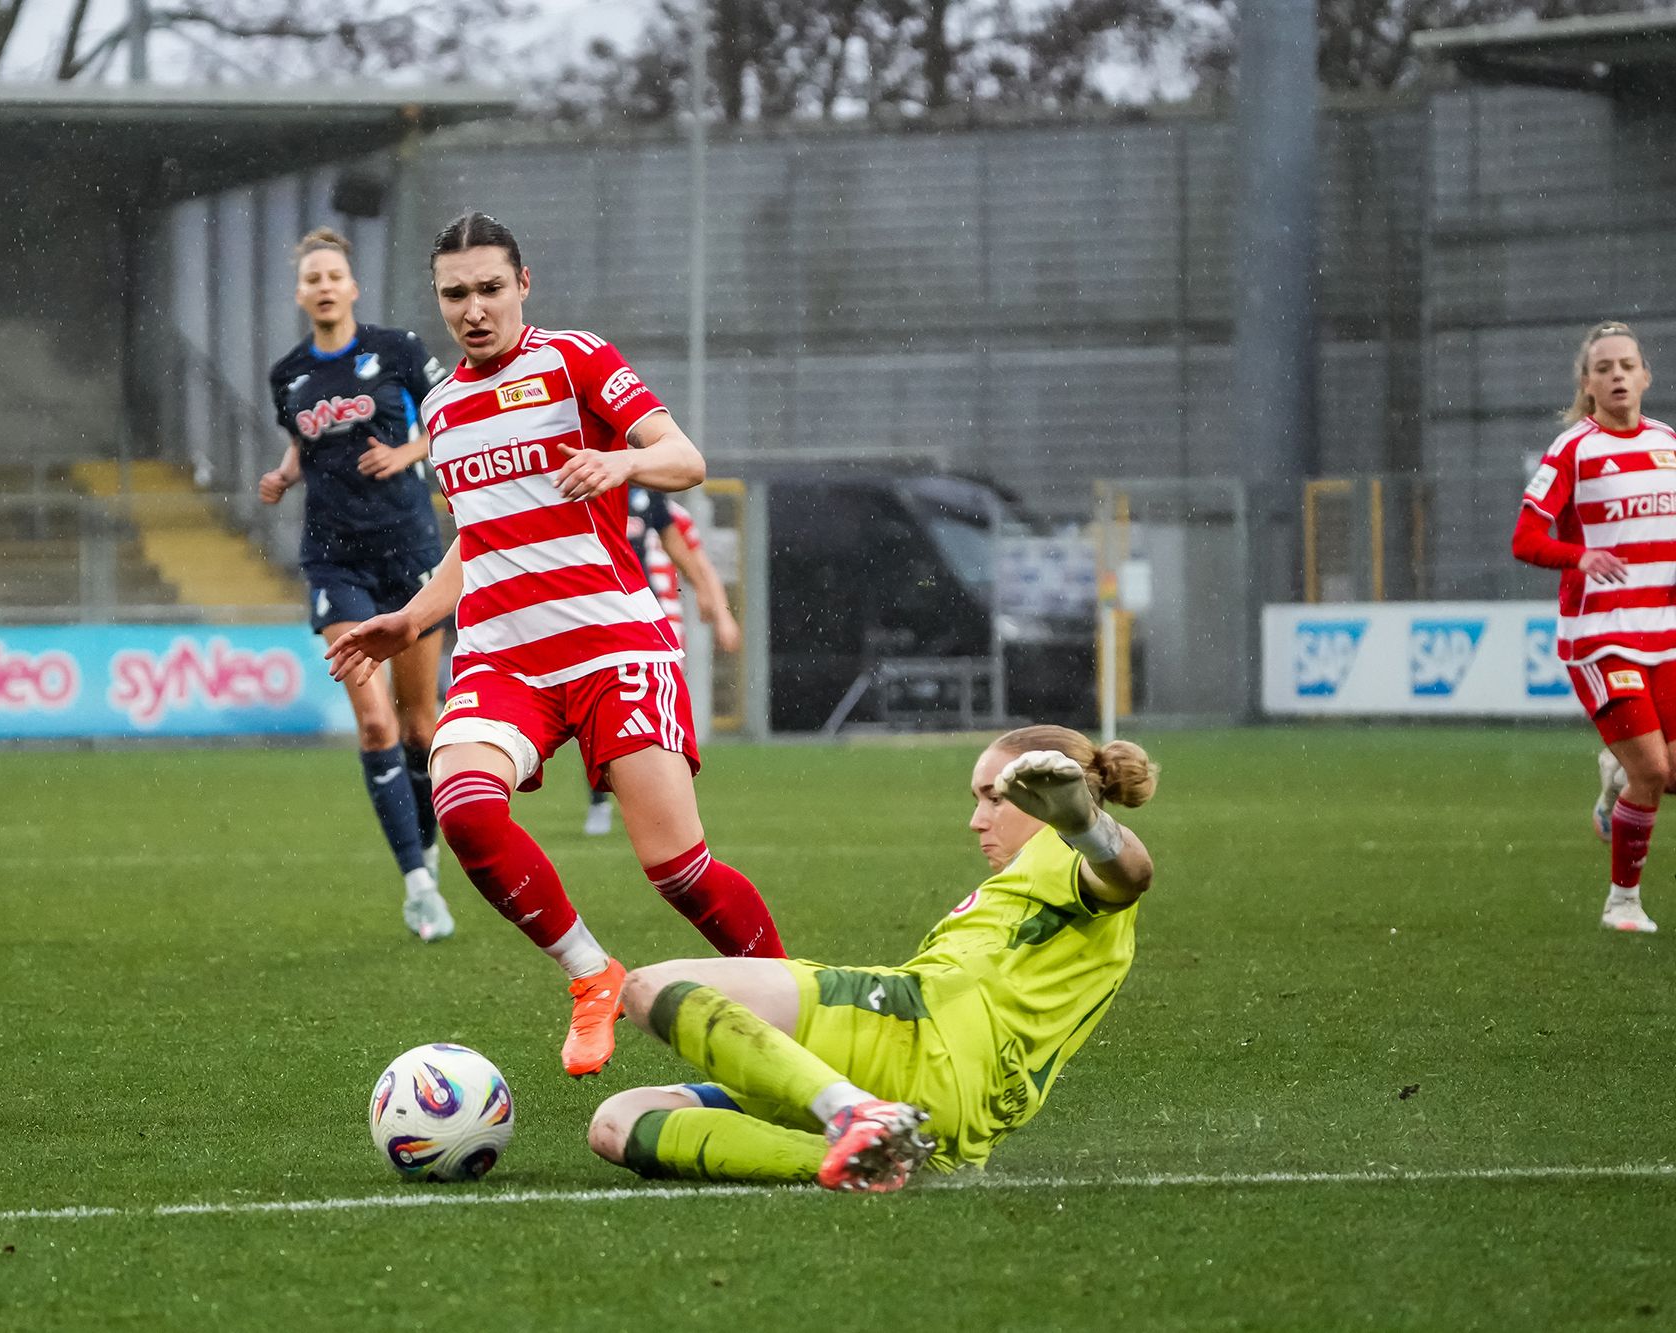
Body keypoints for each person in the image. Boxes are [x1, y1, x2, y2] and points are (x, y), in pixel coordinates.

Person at [328, 211, 785, 1078]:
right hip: (503, 657)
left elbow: (685, 458)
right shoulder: (442, 407)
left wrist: (622, 464)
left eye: (490, 288)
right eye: (455, 294)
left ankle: (796, 999)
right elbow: (481, 539)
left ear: (523, 284)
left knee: (678, 871)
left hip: (613, 644)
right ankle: (591, 974)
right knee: (462, 807)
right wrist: (411, 618)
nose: (474, 308)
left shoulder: (577, 361)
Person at [585, 725, 1158, 1193]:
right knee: (619, 1122)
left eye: (995, 797)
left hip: (919, 1034)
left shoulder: (1062, 850)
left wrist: (1084, 824)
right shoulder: (1038, 890)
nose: (977, 820)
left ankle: (855, 1112)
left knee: (647, 989)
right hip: (954, 1120)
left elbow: (1129, 875)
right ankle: (873, 1156)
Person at [261, 226, 457, 943]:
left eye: (332, 274)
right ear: (300, 292)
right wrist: (286, 473)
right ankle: (417, 886)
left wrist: (405, 453)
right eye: (310, 276)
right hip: (333, 556)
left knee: (421, 723)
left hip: (408, 549)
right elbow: (300, 440)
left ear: (351, 286)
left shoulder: (397, 349)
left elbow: (451, 418)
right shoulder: (288, 374)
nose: (322, 285)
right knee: (374, 721)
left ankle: (427, 856)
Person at [1515, 320, 1675, 935]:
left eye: (1626, 365)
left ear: (1644, 377)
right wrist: (1577, 555)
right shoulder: (1572, 451)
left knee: (1666, 775)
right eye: (1604, 367)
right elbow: (1525, 539)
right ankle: (1622, 903)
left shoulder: (1668, 443)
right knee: (1653, 773)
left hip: (1664, 634)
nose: (1616, 376)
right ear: (1586, 384)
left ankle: (1614, 783)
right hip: (1602, 637)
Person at [584, 489, 742, 837]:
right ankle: (600, 800)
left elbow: (692, 557)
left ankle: (668, 797)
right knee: (599, 714)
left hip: (648, 620)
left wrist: (714, 605)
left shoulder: (652, 497)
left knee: (659, 714)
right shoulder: (585, 484)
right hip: (592, 614)